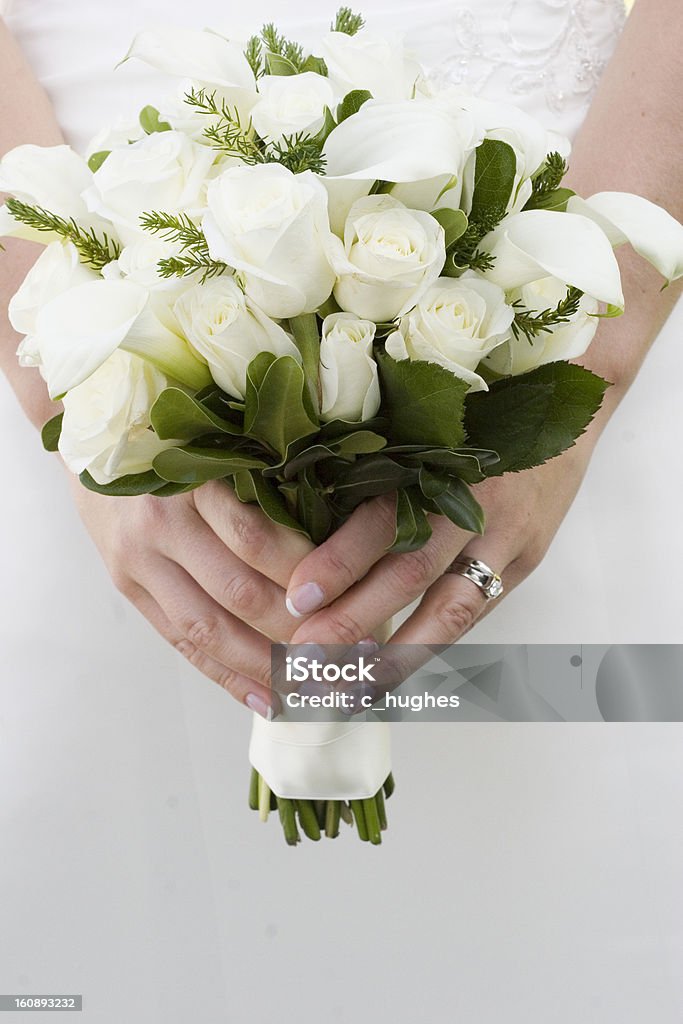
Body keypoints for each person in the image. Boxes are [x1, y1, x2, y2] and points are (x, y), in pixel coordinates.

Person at [1, 4, 682, 1020]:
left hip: (578, 256)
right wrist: (79, 376)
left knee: (562, 908)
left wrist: (583, 370)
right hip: (99, 261)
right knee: (118, 919)